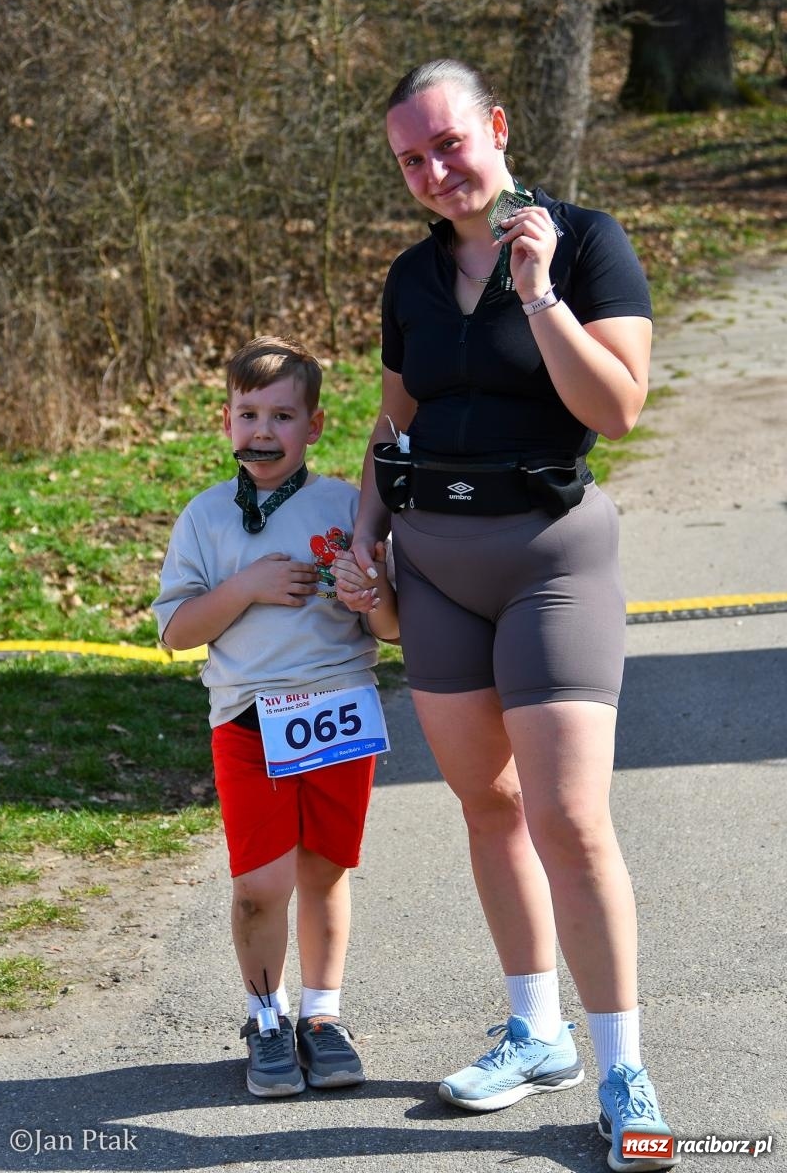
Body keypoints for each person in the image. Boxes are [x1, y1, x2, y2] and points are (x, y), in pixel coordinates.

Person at [348, 59, 678, 1172]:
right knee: (485, 807)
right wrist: (362, 542)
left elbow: (618, 409)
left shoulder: (583, 242)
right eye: (409, 160)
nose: (434, 172)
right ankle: (532, 1032)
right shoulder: (408, 275)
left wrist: (538, 295)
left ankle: (622, 1065)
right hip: (433, 570)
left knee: (569, 821)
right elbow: (389, 427)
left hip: (547, 562)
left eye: (446, 144)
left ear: (494, 126)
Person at [152, 335, 398, 1098]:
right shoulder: (204, 519)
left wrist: (371, 593)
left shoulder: (346, 508)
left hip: (337, 713)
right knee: (260, 884)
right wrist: (249, 586)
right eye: (248, 413)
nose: (263, 431)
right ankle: (266, 1016)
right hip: (249, 721)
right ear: (225, 421)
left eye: (282, 415)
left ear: (315, 427)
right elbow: (175, 631)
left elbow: (389, 628)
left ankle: (322, 1019)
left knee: (325, 871)